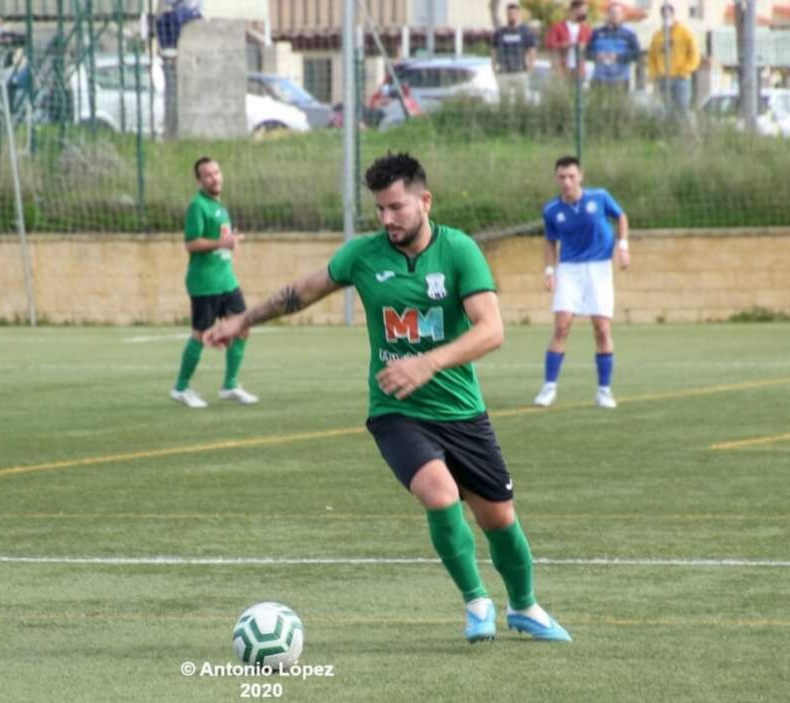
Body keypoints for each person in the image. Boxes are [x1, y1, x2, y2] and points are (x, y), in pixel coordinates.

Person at [205, 153, 571, 643]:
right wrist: (243, 319)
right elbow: (303, 290)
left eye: (396, 207)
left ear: (425, 201)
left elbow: (492, 331)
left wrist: (427, 362)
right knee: (441, 496)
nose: (387, 219)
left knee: (499, 518)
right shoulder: (364, 255)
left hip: (461, 411)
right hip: (396, 412)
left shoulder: (459, 251)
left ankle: (524, 607)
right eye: (379, 209)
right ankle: (476, 600)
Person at [535, 156, 630, 409]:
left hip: (599, 269)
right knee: (562, 326)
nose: (567, 181)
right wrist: (549, 270)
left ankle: (604, 391)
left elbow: (621, 216)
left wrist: (623, 246)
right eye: (562, 177)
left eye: (571, 176)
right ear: (557, 178)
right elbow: (550, 242)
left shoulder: (599, 197)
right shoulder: (552, 210)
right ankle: (549, 387)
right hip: (569, 270)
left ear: (581, 176)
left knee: (601, 328)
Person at [170, 156, 258, 409]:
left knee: (243, 327)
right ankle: (181, 388)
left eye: (216, 172)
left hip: (226, 281)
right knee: (201, 335)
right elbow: (191, 243)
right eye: (207, 175)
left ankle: (230, 385)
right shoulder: (198, 206)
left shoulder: (220, 206)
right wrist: (223, 243)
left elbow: (222, 242)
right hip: (204, 283)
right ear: (199, 180)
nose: (214, 177)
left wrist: (230, 243)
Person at [647, 2, 700, 122]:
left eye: (668, 14)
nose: (666, 17)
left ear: (673, 14)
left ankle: (686, 134)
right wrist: (654, 74)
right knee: (665, 110)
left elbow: (694, 54)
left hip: (680, 78)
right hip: (663, 79)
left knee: (682, 109)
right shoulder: (657, 36)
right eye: (664, 15)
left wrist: (685, 70)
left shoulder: (684, 32)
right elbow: (651, 57)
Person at [585, 3, 640, 94]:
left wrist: (618, 57)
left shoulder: (629, 34)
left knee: (618, 107)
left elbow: (636, 54)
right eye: (612, 13)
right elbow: (587, 53)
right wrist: (596, 56)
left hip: (620, 79)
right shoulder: (596, 33)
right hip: (599, 78)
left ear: (622, 15)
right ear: (607, 15)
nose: (614, 16)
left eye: (617, 13)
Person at [490, 2, 536, 102]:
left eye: (513, 13)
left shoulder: (526, 32)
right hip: (504, 72)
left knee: (521, 102)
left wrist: (529, 69)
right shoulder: (500, 33)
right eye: (509, 14)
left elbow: (531, 52)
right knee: (504, 101)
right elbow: (494, 51)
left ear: (518, 14)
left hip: (520, 72)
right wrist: (494, 68)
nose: (511, 16)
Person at [545, 0, 591, 83]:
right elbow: (550, 45)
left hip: (578, 69)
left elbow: (589, 47)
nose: (585, 14)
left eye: (586, 11)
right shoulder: (558, 27)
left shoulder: (586, 29)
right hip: (561, 69)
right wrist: (565, 45)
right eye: (583, 11)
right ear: (574, 10)